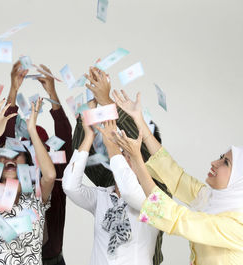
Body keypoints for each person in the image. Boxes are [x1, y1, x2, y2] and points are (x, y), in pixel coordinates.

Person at [110, 89, 243, 265]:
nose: (214, 163)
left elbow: (177, 218)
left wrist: (137, 161)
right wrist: (139, 121)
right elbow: (175, 176)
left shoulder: (236, 226)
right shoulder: (211, 199)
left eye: (225, 163)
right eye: (220, 157)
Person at [71, 66, 167, 264]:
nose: (123, 153)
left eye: (128, 149)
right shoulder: (109, 182)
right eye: (121, 150)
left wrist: (106, 101)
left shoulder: (159, 189)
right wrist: (87, 117)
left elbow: (135, 140)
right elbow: (84, 160)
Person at [0, 99, 57, 265]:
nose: (9, 157)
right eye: (3, 154)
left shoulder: (36, 197)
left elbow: (50, 175)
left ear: (26, 163)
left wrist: (32, 131)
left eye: (16, 153)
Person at [0, 61, 72, 265]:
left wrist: (53, 94)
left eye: (38, 146)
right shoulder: (11, 180)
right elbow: (4, 138)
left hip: (53, 260)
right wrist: (13, 89)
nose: (33, 152)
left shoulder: (56, 173)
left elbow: (65, 136)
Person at [63, 115, 159, 265]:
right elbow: (70, 186)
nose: (124, 161)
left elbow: (129, 192)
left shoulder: (152, 201)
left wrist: (112, 147)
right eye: (122, 155)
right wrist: (89, 136)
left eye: (130, 157)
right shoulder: (102, 197)